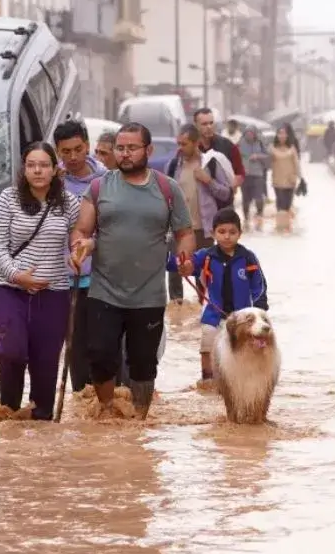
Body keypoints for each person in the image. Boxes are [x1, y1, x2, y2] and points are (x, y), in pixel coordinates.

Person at [70, 122, 195, 420]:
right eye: (120, 148)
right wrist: (80, 246)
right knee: (100, 356)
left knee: (143, 364)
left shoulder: (167, 188)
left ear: (148, 150)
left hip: (148, 295)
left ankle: (139, 420)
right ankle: (108, 411)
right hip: (104, 290)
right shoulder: (100, 187)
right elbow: (82, 230)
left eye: (131, 148)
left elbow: (184, 232)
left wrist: (185, 257)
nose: (124, 154)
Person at [0, 141, 80, 420]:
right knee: (10, 353)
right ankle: (10, 414)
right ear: (24, 169)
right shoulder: (9, 198)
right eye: (31, 165)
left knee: (46, 364)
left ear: (55, 170)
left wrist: (78, 252)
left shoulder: (69, 203)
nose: (37, 171)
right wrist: (18, 276)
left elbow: (81, 236)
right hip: (11, 291)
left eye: (43, 165)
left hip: (54, 296)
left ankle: (40, 426)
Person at [174, 208, 268, 389]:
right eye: (222, 232)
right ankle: (208, 380)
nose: (227, 236)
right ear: (213, 233)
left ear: (240, 234)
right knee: (207, 344)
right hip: (213, 314)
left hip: (242, 317)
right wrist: (184, 265)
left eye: (232, 232)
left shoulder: (248, 258)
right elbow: (189, 264)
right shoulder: (206, 256)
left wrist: (260, 308)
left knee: (245, 348)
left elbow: (259, 285)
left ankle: (244, 381)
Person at [53, 120, 108, 393]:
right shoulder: (51, 183)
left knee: (102, 346)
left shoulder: (106, 181)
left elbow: (113, 229)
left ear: (87, 146)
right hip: (64, 279)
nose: (73, 157)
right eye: (66, 152)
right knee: (73, 347)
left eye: (78, 149)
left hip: (101, 278)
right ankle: (80, 400)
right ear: (57, 152)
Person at [168, 123, 232, 255]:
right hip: (179, 229)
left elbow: (226, 194)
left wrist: (208, 181)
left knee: (204, 273)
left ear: (196, 143)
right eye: (178, 144)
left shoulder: (210, 164)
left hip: (203, 231)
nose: (180, 148)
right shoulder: (174, 166)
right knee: (175, 272)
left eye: (184, 144)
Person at [194, 107, 244, 188]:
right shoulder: (191, 147)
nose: (209, 127)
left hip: (222, 197)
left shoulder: (227, 146)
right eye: (204, 124)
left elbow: (240, 173)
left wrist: (230, 189)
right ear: (196, 125)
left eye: (211, 123)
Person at [270, 125, 301, 233]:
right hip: (277, 181)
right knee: (280, 204)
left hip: (290, 181)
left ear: (287, 135)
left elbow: (297, 164)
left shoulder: (292, 149)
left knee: (287, 205)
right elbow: (267, 164)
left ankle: (287, 227)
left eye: (284, 133)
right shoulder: (272, 149)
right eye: (280, 133)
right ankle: (279, 227)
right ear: (277, 135)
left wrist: (301, 178)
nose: (282, 136)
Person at [238, 125, 269, 230]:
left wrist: (258, 156)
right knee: (245, 199)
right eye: (247, 133)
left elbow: (268, 155)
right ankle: (246, 220)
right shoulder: (240, 143)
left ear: (255, 134)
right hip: (245, 175)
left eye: (251, 133)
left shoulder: (260, 142)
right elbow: (235, 157)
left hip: (258, 174)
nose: (249, 135)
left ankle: (259, 218)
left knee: (259, 198)